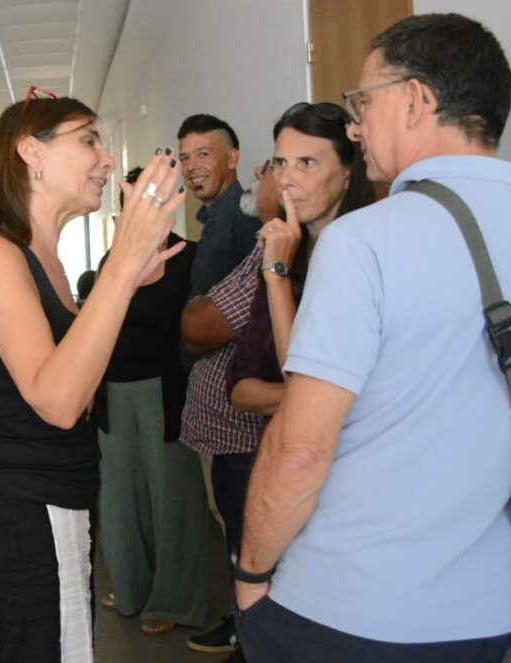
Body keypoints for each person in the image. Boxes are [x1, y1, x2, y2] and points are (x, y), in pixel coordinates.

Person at [235, 14, 511, 663]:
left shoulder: (362, 242)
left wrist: (251, 576)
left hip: (339, 610)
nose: (355, 127)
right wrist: (486, 578)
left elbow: (300, 446)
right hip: (483, 618)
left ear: (415, 100)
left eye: (363, 102)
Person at [0, 93, 184, 662]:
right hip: (21, 517)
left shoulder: (44, 260)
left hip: (56, 507)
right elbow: (57, 402)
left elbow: (79, 385)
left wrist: (124, 282)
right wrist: (121, 265)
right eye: (88, 140)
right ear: (31, 152)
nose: (106, 160)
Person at [96, 167, 208, 636]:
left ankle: (174, 602)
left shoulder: (189, 258)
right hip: (113, 391)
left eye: (154, 199)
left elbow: (196, 332)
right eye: (135, 201)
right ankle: (131, 587)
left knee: (172, 499)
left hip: (166, 392)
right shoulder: (113, 259)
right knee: (119, 497)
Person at [179, 162, 280, 660]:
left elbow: (201, 323)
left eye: (279, 163)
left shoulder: (274, 247)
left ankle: (253, 639)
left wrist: (198, 313)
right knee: (238, 540)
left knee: (250, 546)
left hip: (248, 440)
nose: (266, 170)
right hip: (232, 435)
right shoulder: (254, 238)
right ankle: (245, 628)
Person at [228, 102, 374, 417]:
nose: (286, 179)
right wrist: (308, 392)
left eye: (307, 163)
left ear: (348, 174)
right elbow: (239, 384)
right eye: (280, 163)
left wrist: (276, 275)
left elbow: (302, 385)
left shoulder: (364, 254)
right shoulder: (283, 246)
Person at [177, 113, 260, 298]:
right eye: (184, 158)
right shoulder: (212, 219)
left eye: (203, 154)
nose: (190, 167)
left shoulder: (245, 219)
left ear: (232, 159)